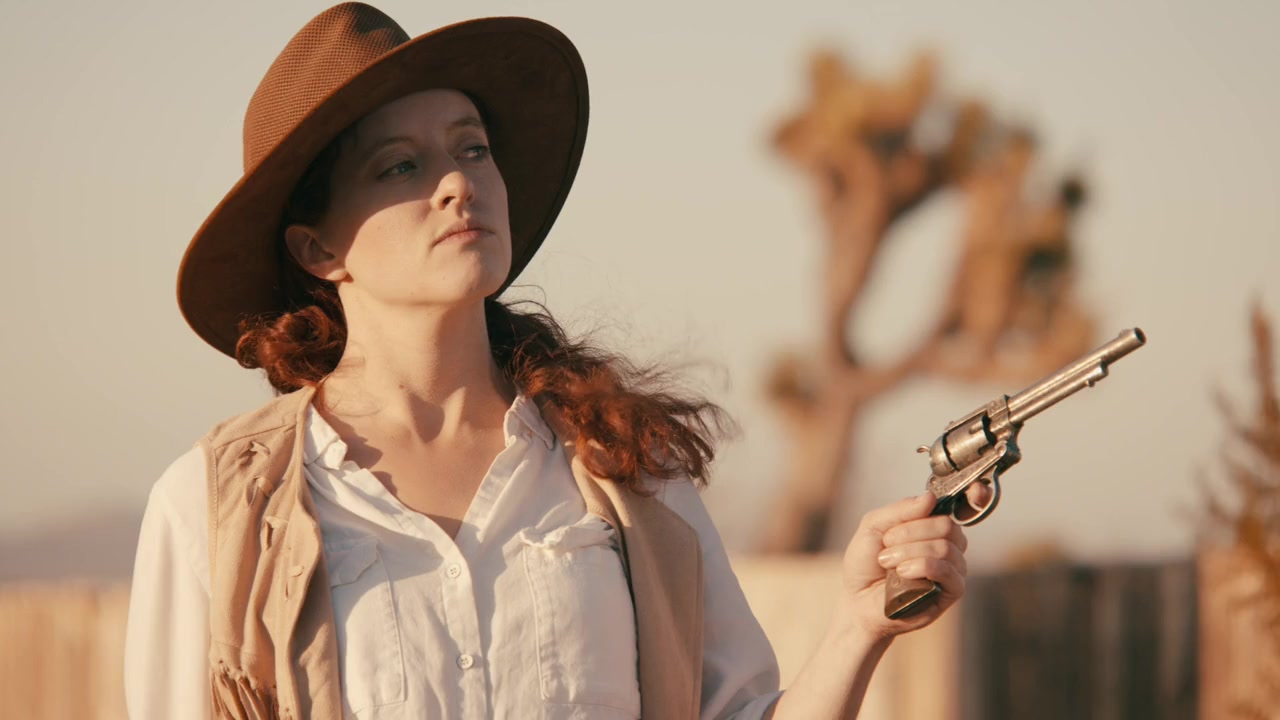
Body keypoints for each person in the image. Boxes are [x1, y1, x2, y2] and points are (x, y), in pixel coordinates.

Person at [124, 4, 982, 719]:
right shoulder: (218, 513)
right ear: (318, 249)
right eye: (401, 166)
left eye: (472, 148)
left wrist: (858, 627)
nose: (457, 183)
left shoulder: (623, 466)